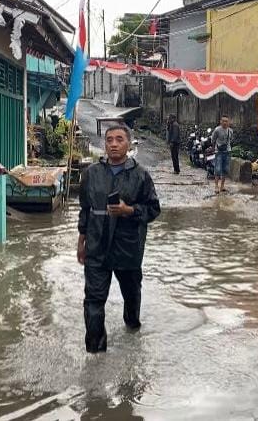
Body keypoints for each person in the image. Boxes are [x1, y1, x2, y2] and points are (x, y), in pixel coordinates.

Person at [77, 125, 161, 353]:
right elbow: (85, 208)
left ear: (128, 144)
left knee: (132, 296)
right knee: (93, 301)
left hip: (128, 248)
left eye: (119, 139)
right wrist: (81, 240)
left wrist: (129, 211)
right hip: (97, 246)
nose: (113, 144)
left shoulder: (140, 174)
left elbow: (153, 209)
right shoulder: (92, 174)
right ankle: (95, 355)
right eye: (109, 140)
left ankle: (133, 335)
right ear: (105, 144)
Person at [211, 116, 234, 194]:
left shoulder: (230, 131)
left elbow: (231, 140)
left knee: (225, 169)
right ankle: (216, 186)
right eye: (223, 121)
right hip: (219, 152)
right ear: (220, 121)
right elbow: (213, 140)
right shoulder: (217, 130)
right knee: (217, 169)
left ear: (229, 122)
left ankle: (222, 186)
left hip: (227, 152)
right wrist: (213, 149)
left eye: (226, 121)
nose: (225, 123)